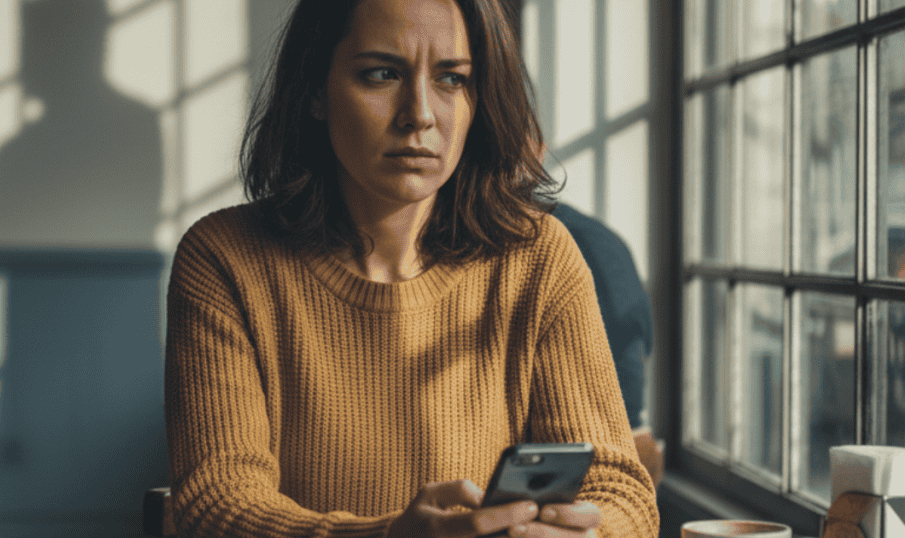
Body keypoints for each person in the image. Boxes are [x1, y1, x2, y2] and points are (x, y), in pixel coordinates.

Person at [164, 0, 659, 536]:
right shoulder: (223, 256)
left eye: (451, 79)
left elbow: (622, 488)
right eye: (381, 74)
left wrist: (592, 530)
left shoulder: (539, 255)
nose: (420, 113)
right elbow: (216, 503)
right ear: (313, 92)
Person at [551, 204, 663, 487]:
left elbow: (624, 337)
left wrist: (632, 428)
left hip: (609, 442)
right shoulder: (587, 233)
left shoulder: (571, 239)